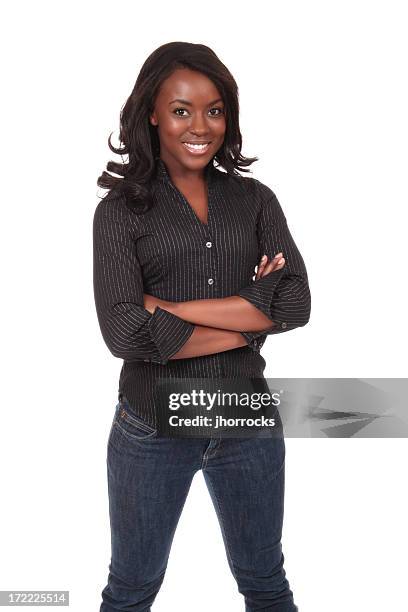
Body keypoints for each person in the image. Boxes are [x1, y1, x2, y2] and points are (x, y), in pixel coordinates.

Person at [93, 41, 311, 612]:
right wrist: (249, 318)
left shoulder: (256, 200)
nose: (201, 125)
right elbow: (125, 334)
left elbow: (296, 302)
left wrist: (170, 309)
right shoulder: (119, 211)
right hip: (153, 427)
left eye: (214, 110)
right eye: (182, 109)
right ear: (153, 114)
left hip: (246, 420)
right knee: (131, 589)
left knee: (266, 584)